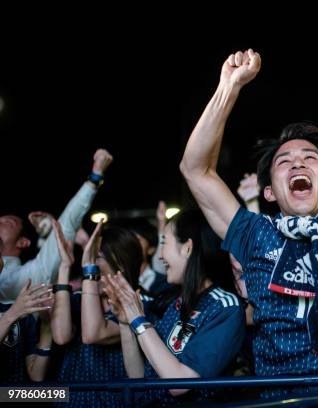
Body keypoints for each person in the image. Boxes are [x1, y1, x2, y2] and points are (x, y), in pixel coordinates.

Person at [178, 11, 318, 397]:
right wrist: (228, 88)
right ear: (269, 192)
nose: (297, 162)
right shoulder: (254, 232)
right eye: (284, 162)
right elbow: (195, 169)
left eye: (310, 158)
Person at [103, 210, 245, 404]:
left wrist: (139, 320)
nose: (160, 256)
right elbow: (139, 378)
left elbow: (180, 384)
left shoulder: (224, 307)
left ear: (187, 248)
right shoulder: (175, 301)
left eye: (164, 243)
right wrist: (126, 322)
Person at [50, 221, 149, 407]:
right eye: (91, 258)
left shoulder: (139, 304)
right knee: (11, 395)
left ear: (120, 261)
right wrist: (64, 266)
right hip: (69, 401)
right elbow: (61, 336)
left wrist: (89, 271)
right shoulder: (79, 298)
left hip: (111, 402)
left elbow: (92, 334)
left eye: (98, 257)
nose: (91, 263)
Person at [0, 148, 113, 301]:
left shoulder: (19, 281)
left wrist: (95, 177)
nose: (0, 223)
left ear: (23, 242)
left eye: (8, 223)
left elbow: (65, 226)